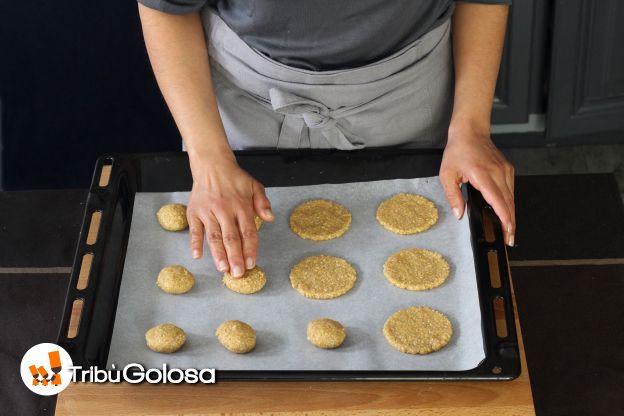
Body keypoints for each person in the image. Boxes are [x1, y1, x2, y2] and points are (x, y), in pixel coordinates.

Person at [137, 0, 516, 278]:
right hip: (242, 113)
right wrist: (210, 161)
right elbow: (166, 8)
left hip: (407, 101)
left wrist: (471, 128)